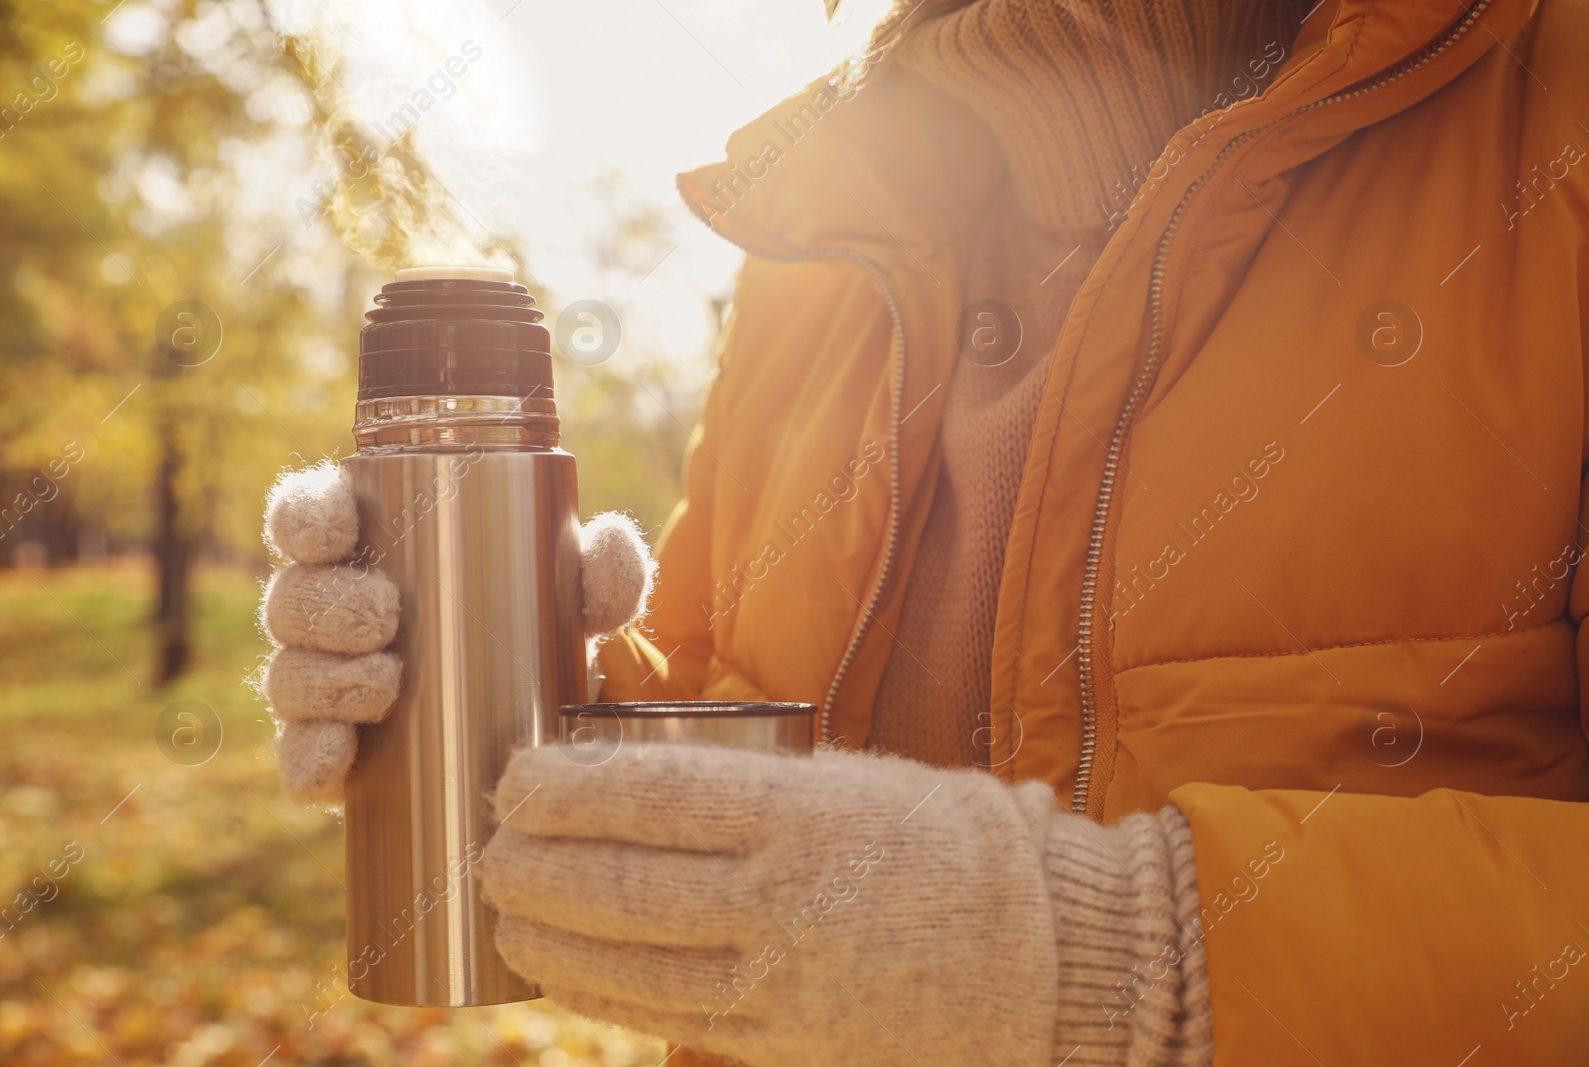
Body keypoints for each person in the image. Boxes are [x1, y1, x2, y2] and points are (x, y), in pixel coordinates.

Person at [259, 0, 1589, 1063]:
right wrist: (514, 705)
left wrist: (1139, 961)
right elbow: (750, 725)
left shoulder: (1556, 122)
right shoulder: (815, 228)